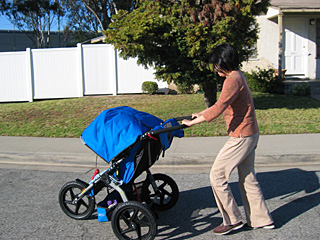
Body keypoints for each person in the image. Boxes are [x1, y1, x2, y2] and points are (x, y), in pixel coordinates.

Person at [182, 43, 274, 235]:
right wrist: (199, 113)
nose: (215, 69)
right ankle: (262, 220)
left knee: (217, 175)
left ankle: (233, 220)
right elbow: (221, 103)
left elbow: (219, 108)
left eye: (216, 65)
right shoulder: (239, 75)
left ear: (223, 63)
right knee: (248, 178)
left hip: (241, 136)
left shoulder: (232, 80)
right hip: (251, 133)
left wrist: (192, 123)